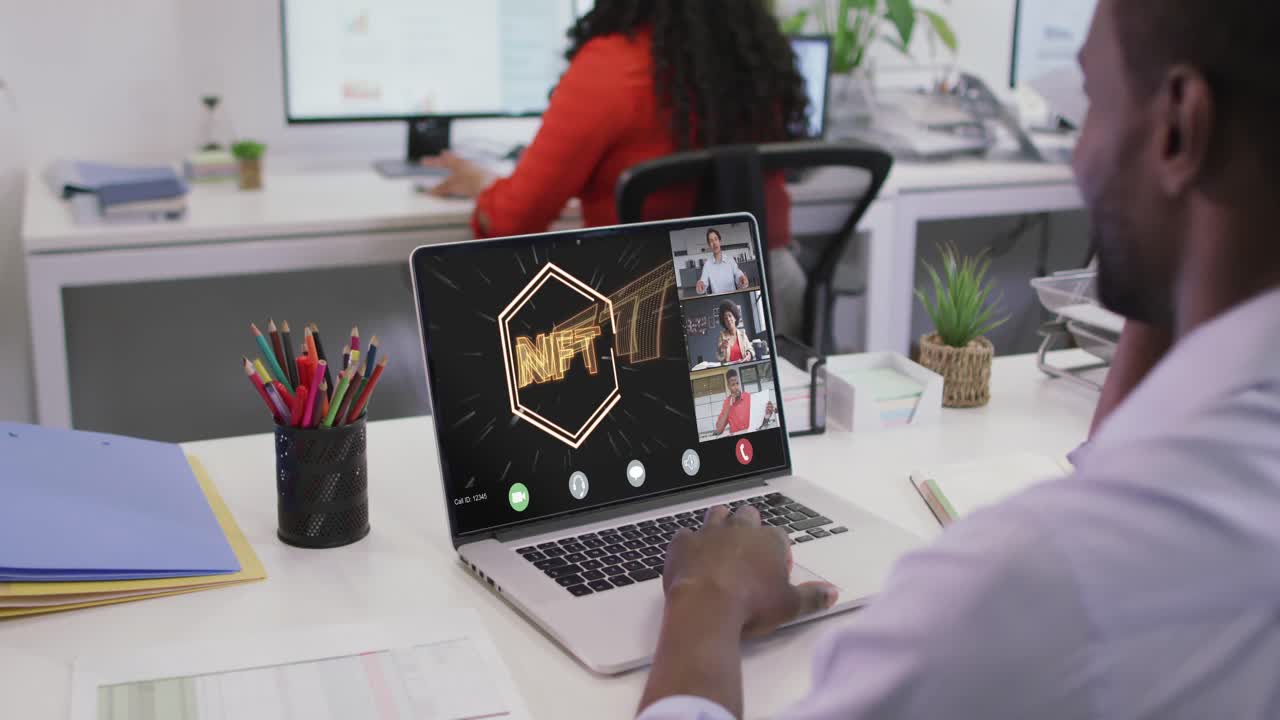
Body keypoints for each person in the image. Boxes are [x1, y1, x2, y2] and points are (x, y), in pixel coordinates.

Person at [637, 0, 1280, 717]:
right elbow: (1131, 472)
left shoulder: (1022, 590)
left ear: (1178, 127)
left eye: (1093, 100)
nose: (1077, 154)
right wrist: (1177, 275)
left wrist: (705, 599)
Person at [423, 0, 807, 255]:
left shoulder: (610, 68)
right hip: (773, 296)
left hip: (649, 308)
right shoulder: (758, 65)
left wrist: (483, 186)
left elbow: (514, 221)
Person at [713, 369, 775, 437]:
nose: (736, 387)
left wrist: (767, 415)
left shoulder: (749, 397)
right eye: (733, 385)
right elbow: (719, 430)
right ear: (728, 386)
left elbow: (762, 424)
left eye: (737, 383)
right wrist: (729, 406)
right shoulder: (726, 403)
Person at [696, 229, 750, 296]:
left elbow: (738, 276)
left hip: (733, 298)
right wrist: (700, 286)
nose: (714, 243)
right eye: (711, 241)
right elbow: (702, 285)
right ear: (709, 245)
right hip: (717, 300)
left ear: (720, 241)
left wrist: (742, 280)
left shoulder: (730, 260)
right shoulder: (707, 265)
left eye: (716, 239)